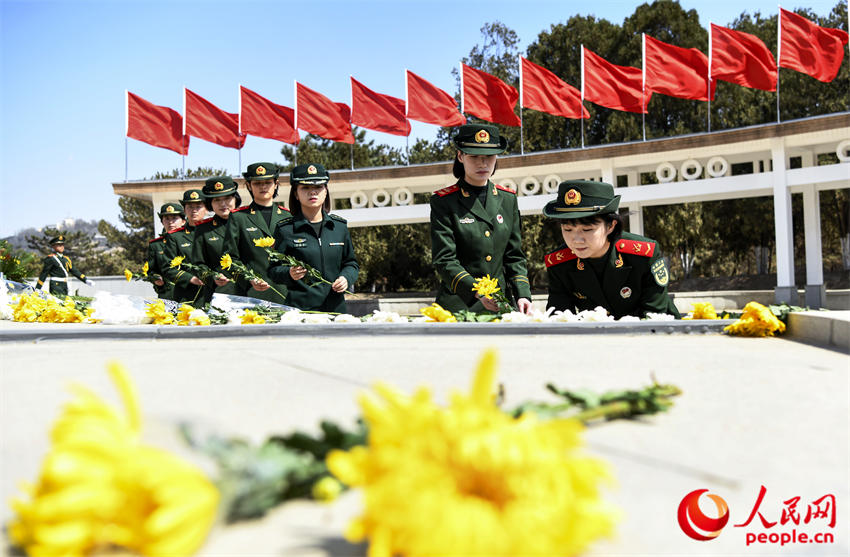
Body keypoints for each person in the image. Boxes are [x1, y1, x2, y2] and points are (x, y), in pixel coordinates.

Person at [429, 124, 532, 314]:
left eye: (489, 157)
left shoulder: (508, 199)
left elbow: (514, 256)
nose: (482, 163)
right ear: (460, 156)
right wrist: (478, 291)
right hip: (458, 307)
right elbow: (444, 259)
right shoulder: (444, 202)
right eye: (474, 156)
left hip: (500, 306)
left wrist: (523, 294)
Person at [542, 180, 680, 319]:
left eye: (587, 229)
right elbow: (559, 317)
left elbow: (654, 314)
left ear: (611, 226)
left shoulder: (643, 255)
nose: (577, 239)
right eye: (568, 229)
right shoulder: (559, 263)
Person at [268, 163, 358, 312]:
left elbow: (351, 264)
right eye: (305, 188)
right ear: (296, 193)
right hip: (299, 312)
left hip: (336, 310)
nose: (313, 192)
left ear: (326, 191)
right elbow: (273, 270)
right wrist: (289, 273)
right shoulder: (285, 230)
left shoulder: (339, 227)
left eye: (318, 187)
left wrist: (346, 278)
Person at [223, 162, 290, 304]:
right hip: (251, 295)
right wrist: (248, 278)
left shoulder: (288, 217)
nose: (263, 187)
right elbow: (229, 258)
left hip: (286, 294)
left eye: (268, 182)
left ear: (276, 184)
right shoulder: (238, 218)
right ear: (249, 185)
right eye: (257, 183)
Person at [190, 176, 243, 305]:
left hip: (254, 290)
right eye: (217, 200)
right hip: (220, 295)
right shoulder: (203, 230)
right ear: (210, 204)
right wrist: (212, 277)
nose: (223, 204)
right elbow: (197, 265)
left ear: (235, 199)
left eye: (227, 198)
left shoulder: (249, 222)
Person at [161, 189, 208, 303]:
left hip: (214, 294)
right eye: (190, 207)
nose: (194, 211)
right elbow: (167, 268)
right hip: (187, 296)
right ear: (184, 210)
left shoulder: (216, 232)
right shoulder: (175, 237)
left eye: (198, 206)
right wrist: (190, 278)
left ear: (206, 208)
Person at [147, 202, 186, 299]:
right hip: (168, 295)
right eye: (166, 219)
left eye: (174, 218)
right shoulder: (155, 245)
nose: (170, 222)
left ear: (183, 221)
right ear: (162, 222)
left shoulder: (193, 240)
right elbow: (151, 270)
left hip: (192, 294)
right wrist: (156, 279)